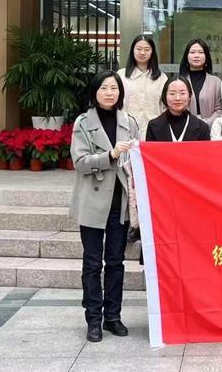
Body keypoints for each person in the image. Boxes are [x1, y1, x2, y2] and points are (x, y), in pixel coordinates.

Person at [70, 70, 138, 343]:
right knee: (92, 262)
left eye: (114, 88)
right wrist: (110, 155)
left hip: (119, 202)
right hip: (92, 201)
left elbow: (137, 160)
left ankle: (113, 316)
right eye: (104, 88)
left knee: (116, 262)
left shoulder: (129, 122)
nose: (109, 93)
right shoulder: (83, 122)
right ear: (95, 92)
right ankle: (93, 319)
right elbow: (80, 163)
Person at [117, 34, 168, 139]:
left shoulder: (161, 78)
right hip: (126, 130)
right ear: (133, 51)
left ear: (152, 52)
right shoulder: (121, 75)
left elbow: (165, 106)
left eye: (147, 49)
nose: (142, 53)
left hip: (155, 131)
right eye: (138, 49)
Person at [145, 76, 211, 142]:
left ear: (189, 96)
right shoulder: (153, 126)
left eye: (182, 93)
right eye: (172, 94)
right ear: (165, 96)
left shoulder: (202, 128)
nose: (177, 98)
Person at [178, 38, 222, 125]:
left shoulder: (216, 82)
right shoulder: (179, 82)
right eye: (192, 52)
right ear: (186, 56)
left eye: (201, 52)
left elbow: (219, 109)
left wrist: (206, 124)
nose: (196, 55)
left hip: (211, 128)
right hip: (184, 127)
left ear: (206, 56)